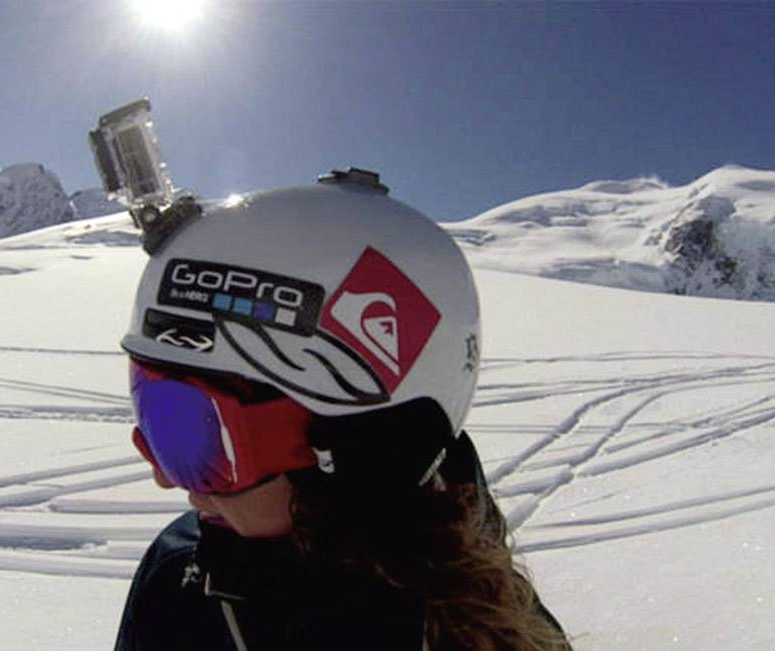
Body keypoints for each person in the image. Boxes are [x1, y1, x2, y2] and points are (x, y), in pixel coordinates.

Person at [113, 169, 571, 650]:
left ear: (357, 453)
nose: (163, 476)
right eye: (152, 411)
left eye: (193, 431)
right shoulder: (177, 575)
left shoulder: (470, 629)